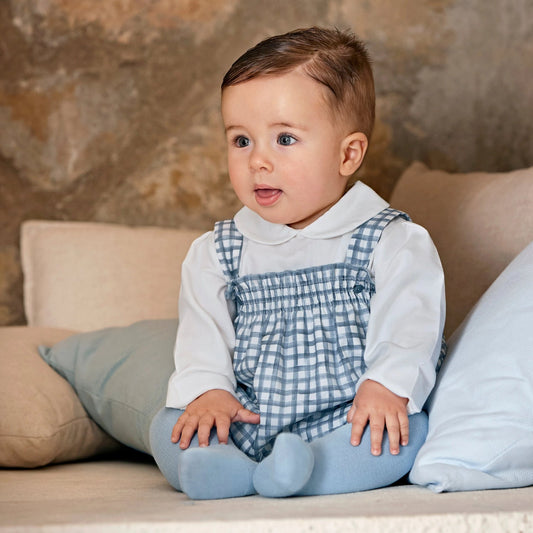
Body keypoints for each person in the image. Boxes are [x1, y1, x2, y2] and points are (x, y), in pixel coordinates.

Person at [150, 26, 446, 500]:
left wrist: (387, 386)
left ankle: (302, 473)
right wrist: (208, 393)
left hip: (347, 415)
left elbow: (411, 326)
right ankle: (232, 470)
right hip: (246, 415)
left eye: (284, 139)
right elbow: (201, 337)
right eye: (241, 141)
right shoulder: (218, 252)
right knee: (169, 425)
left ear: (348, 153)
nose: (258, 162)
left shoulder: (390, 240)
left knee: (404, 433)